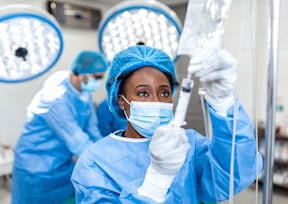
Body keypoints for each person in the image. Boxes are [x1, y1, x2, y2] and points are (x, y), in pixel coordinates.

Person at [71, 45, 263, 203]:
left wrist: (224, 104)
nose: (156, 101)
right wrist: (156, 180)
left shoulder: (188, 144)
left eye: (164, 93)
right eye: (143, 93)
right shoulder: (95, 162)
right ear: (122, 101)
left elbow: (235, 175)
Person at [11, 50, 108, 204]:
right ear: (81, 73)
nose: (99, 82)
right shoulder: (56, 99)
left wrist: (108, 150)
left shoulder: (83, 93)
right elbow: (78, 142)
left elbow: (92, 129)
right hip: (35, 170)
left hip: (62, 166)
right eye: (97, 78)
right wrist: (108, 163)